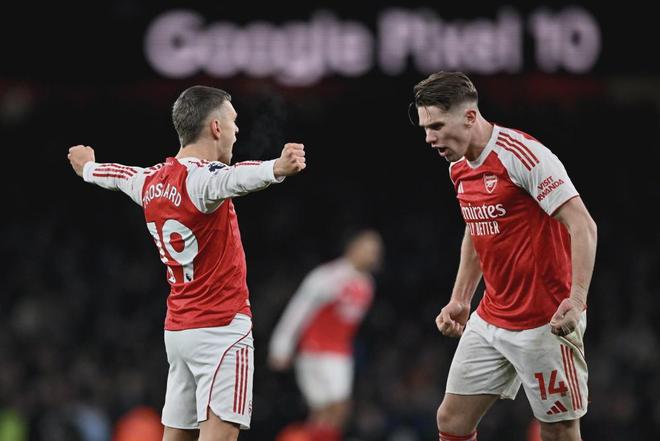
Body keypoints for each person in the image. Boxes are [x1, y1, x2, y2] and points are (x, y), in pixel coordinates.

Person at [67, 85, 306, 441]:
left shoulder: (150, 180)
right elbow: (235, 178)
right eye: (233, 121)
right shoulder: (202, 179)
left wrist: (88, 167)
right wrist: (277, 167)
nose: (237, 129)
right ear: (215, 127)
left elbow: (116, 176)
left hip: (180, 332)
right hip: (221, 329)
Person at [411, 72, 597, 441]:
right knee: (451, 420)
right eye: (425, 128)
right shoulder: (458, 166)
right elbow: (476, 226)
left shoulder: (523, 156)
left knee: (558, 431)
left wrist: (576, 301)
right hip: (491, 317)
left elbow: (583, 225)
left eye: (436, 126)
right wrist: (461, 298)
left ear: (469, 116)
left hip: (545, 321)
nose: (429, 138)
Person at [268, 229, 384, 441]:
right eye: (368, 249)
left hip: (340, 353)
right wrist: (281, 345)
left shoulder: (367, 284)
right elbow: (299, 308)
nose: (372, 256)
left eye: (376, 252)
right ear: (353, 248)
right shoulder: (328, 276)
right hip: (314, 350)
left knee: (334, 411)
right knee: (329, 409)